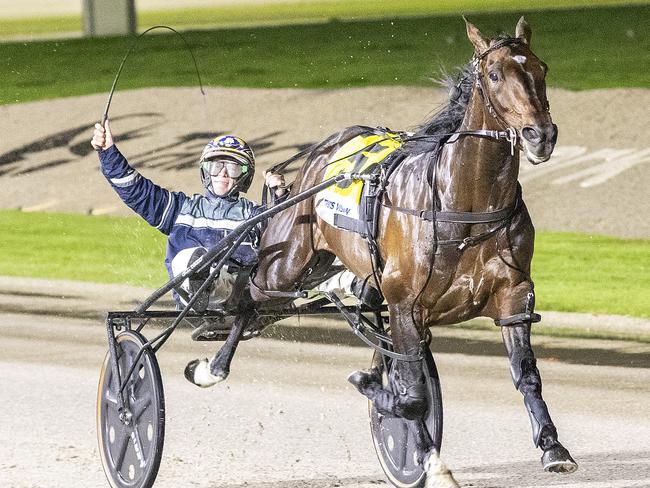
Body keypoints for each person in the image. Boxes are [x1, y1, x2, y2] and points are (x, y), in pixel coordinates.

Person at [90, 120, 287, 314]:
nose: (223, 174)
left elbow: (286, 233)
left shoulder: (255, 214)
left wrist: (279, 195)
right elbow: (135, 190)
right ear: (205, 170)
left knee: (212, 267)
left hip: (236, 296)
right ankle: (201, 282)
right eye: (216, 166)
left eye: (233, 168)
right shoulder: (180, 209)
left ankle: (207, 281)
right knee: (188, 260)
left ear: (245, 175)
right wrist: (108, 152)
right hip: (190, 298)